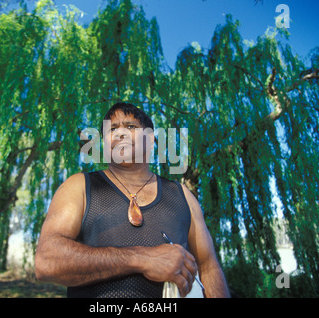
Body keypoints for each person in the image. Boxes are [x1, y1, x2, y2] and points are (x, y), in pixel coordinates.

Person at [35, 102, 230, 298]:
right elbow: (47, 261)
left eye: (130, 127)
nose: (120, 133)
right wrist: (142, 258)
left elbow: (209, 267)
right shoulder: (79, 186)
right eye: (112, 129)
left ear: (151, 139)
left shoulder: (183, 195)